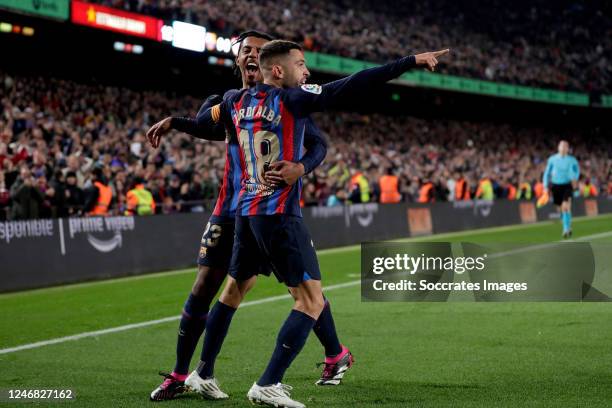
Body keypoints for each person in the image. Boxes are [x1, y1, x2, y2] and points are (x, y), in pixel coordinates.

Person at [198, 39, 448, 407]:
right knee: (312, 300)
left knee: (233, 289)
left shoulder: (236, 102)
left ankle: (202, 373)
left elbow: (205, 121)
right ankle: (268, 383)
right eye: (301, 64)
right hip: (279, 213)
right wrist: (408, 61)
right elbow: (354, 83)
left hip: (247, 212)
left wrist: (177, 121)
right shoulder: (290, 99)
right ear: (280, 71)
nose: (308, 72)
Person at [146, 31, 346, 401]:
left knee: (297, 285)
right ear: (238, 59)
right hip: (230, 206)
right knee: (211, 284)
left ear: (269, 62)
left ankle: (334, 353)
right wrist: (177, 120)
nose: (252, 56)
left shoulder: (287, 100)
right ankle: (185, 373)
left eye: (259, 50)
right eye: (246, 51)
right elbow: (205, 123)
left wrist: (301, 167)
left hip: (265, 205)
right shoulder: (230, 101)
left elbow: (319, 144)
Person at [542, 140, 580, 238]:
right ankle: (568, 225)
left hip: (567, 185)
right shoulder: (552, 159)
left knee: (565, 206)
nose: (563, 148)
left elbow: (577, 171)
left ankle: (566, 229)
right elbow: (547, 173)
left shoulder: (572, 160)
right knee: (561, 209)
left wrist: (575, 179)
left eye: (565, 146)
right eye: (561, 146)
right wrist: (545, 186)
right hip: (556, 186)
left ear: (568, 149)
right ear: (558, 147)